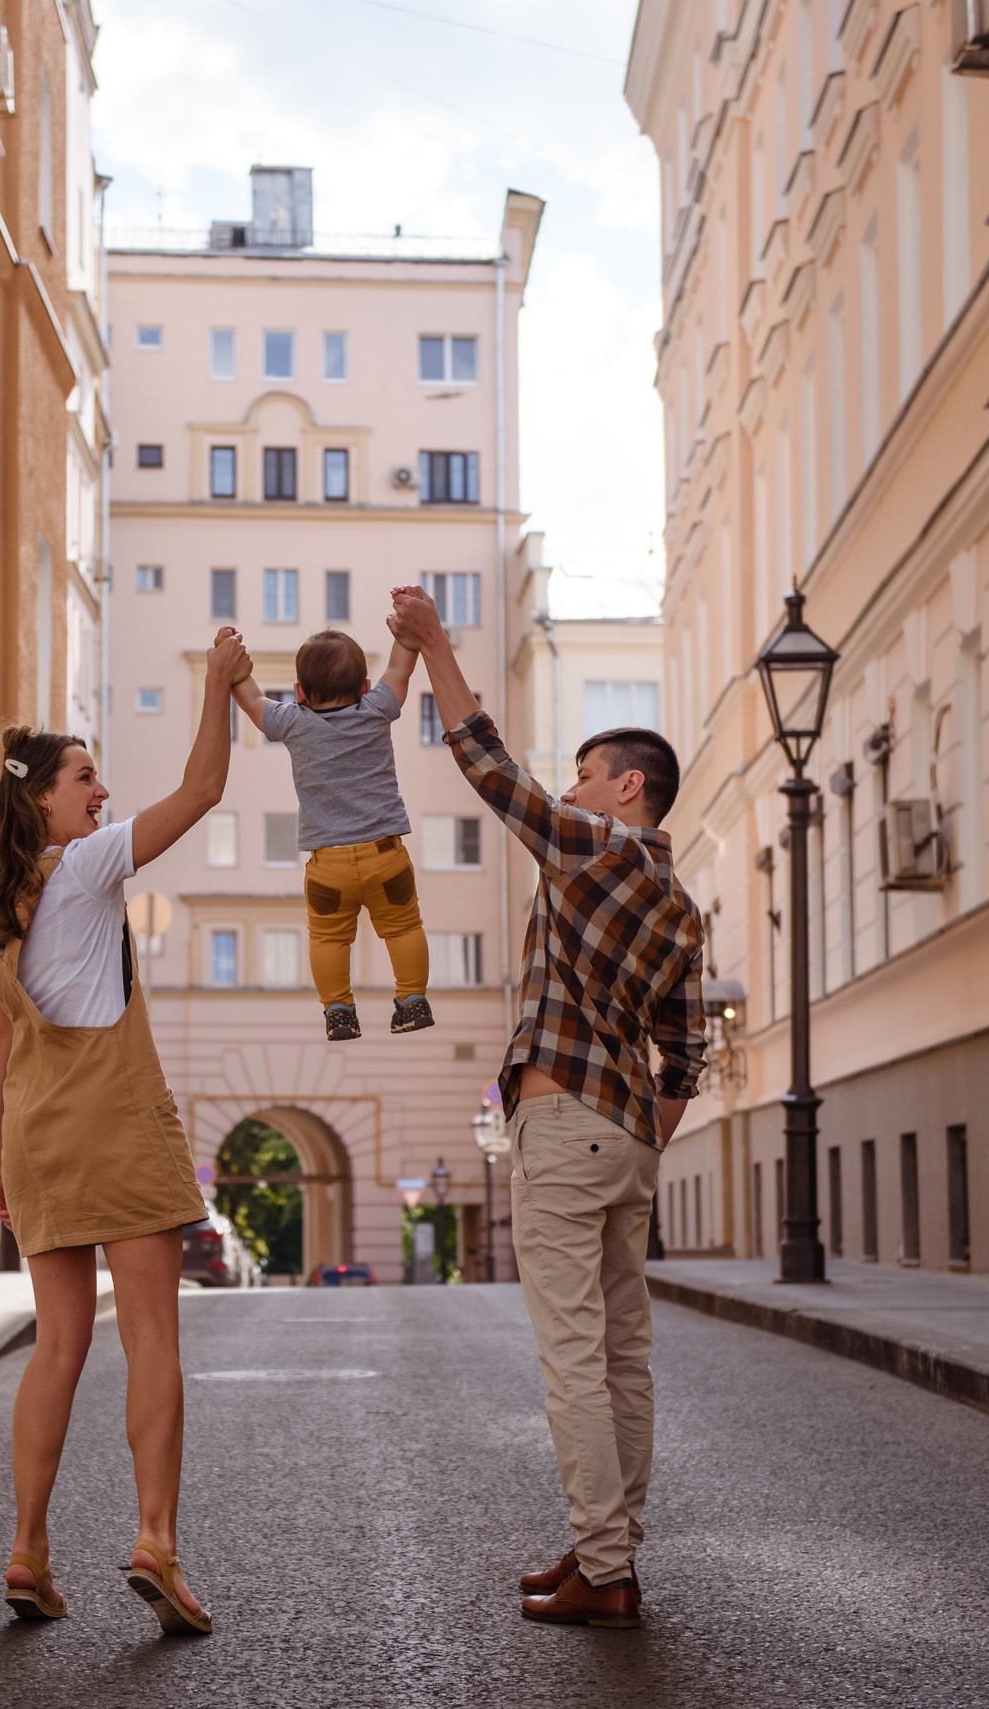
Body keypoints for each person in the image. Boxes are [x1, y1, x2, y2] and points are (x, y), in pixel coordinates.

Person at [387, 586, 707, 1631]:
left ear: (623, 788)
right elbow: (685, 1045)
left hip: (566, 1123)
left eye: (584, 775)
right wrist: (645, 1134)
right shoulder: (680, 902)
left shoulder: (590, 846)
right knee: (623, 1351)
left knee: (573, 1351)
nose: (569, 789)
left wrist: (434, 643)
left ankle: (604, 1567)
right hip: (622, 1138)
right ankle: (606, 1546)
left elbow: (488, 766)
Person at [0, 626, 252, 1637]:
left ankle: (27, 1548)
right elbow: (204, 790)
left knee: (56, 1345)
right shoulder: (86, 866)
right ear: (42, 797)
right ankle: (154, 1539)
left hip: (38, 1139)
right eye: (85, 776)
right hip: (117, 1126)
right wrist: (215, 685)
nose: (100, 791)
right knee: (150, 1337)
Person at [225, 627, 433, 1041]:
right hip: (385, 855)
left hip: (328, 867)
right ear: (365, 686)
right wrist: (408, 632)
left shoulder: (292, 722)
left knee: (328, 939)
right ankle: (412, 1000)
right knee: (403, 928)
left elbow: (250, 699)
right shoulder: (376, 709)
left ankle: (339, 1010)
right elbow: (400, 669)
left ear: (299, 692)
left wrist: (234, 664)